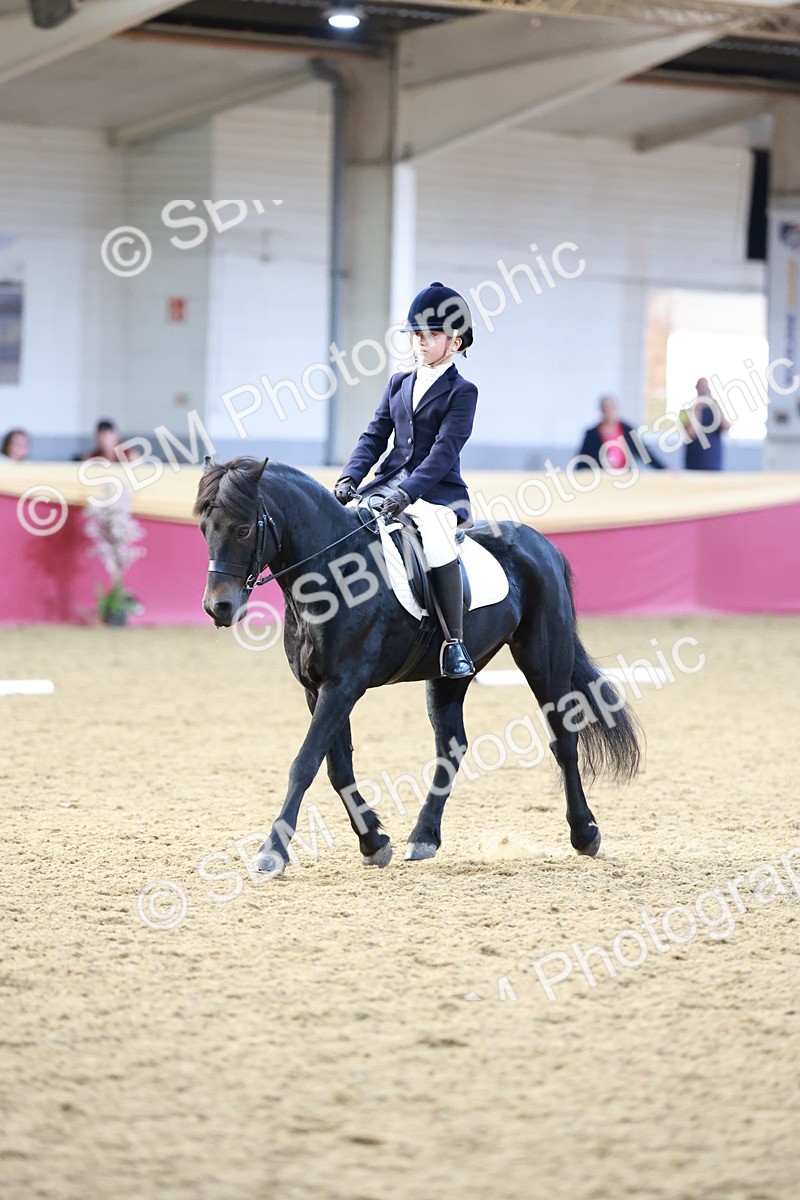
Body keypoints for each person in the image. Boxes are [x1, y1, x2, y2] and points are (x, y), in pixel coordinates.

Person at [334, 281, 478, 679]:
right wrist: (350, 477)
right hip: (386, 485)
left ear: (455, 342)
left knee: (435, 541)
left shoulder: (462, 392)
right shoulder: (399, 382)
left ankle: (454, 642)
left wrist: (406, 493)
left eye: (431, 335)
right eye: (416, 334)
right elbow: (374, 436)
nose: (421, 342)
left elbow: (443, 453)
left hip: (436, 493)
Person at [577, 396, 665, 470]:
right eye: (605, 409)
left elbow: (645, 454)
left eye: (610, 409)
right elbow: (583, 459)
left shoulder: (628, 430)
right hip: (602, 476)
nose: (608, 412)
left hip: (626, 475)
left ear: (616, 409)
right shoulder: (591, 434)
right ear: (601, 410)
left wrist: (663, 469)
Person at [682, 378, 729, 471]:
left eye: (705, 388)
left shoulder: (715, 411)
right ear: (696, 389)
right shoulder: (686, 412)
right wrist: (697, 409)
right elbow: (691, 434)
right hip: (694, 463)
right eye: (701, 388)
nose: (703, 391)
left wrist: (716, 407)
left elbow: (726, 427)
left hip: (713, 462)